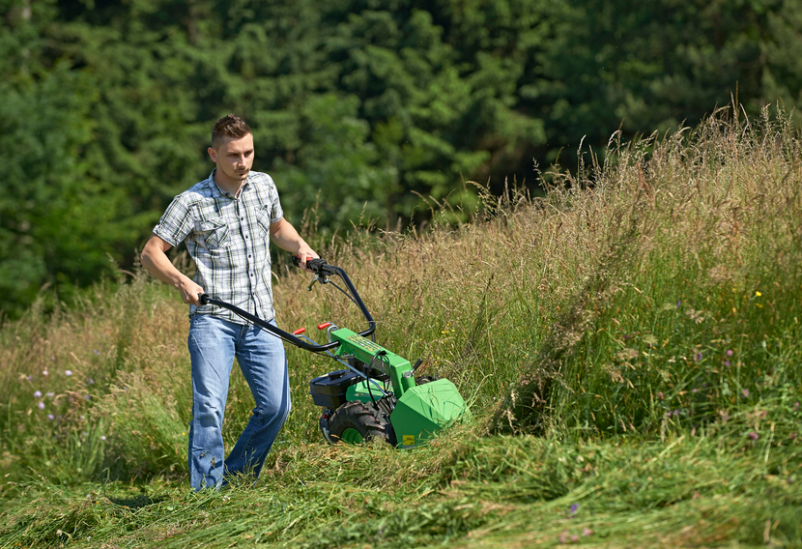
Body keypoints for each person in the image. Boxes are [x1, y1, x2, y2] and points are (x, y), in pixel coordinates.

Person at [140, 114, 318, 490]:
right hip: (213, 321)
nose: (243, 162)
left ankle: (235, 478)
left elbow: (277, 228)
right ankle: (207, 496)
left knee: (276, 407)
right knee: (209, 410)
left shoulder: (263, 186)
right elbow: (151, 253)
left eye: (249, 153)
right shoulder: (191, 203)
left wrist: (302, 249)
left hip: (261, 319)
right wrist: (181, 280)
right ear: (213, 155)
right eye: (234, 155)